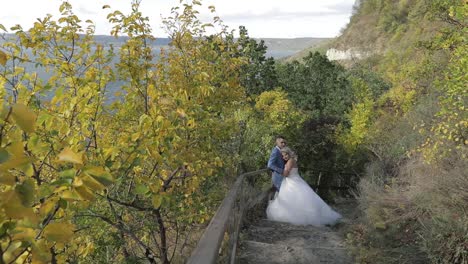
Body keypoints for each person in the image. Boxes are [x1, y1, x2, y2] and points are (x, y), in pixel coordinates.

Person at [266, 147, 342, 226]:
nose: (284, 157)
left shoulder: (290, 161)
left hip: (292, 181)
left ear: (289, 154)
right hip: (292, 180)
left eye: (285, 155)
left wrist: (276, 169)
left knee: (296, 199)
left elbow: (286, 174)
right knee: (295, 199)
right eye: (282, 156)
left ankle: (296, 216)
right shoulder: (291, 160)